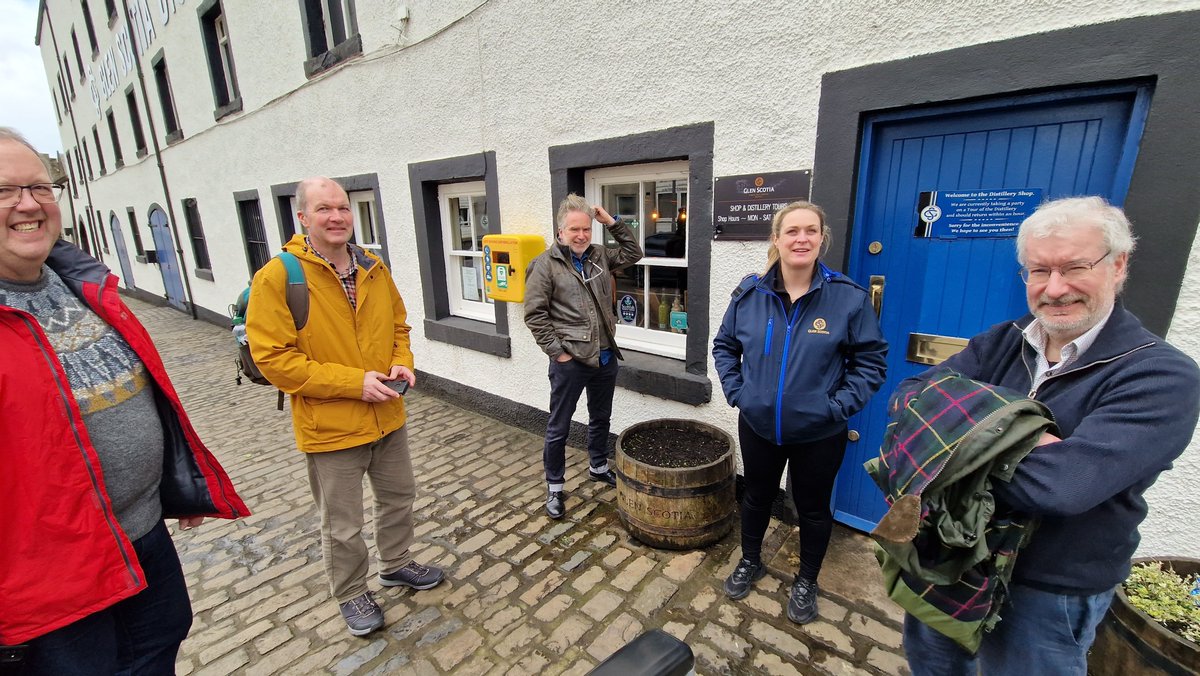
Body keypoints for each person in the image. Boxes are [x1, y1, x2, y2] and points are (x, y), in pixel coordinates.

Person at [900, 196, 1200, 675]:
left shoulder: (1162, 376)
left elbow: (1060, 488)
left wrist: (957, 435)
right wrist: (1029, 438)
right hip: (952, 559)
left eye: (1074, 267)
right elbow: (909, 401)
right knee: (932, 666)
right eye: (1039, 271)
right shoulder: (1005, 339)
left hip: (1047, 589)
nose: (1054, 289)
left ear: (1118, 264)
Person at [0, 127, 249, 673]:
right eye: (5, 192)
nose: (28, 204)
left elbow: (140, 393)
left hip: (141, 529)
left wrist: (171, 481)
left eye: (40, 187)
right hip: (51, 576)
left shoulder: (82, 285)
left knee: (161, 638)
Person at [245, 177, 443, 638]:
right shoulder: (279, 276)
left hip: (388, 414)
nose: (336, 217)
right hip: (330, 426)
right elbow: (273, 359)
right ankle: (351, 591)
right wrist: (355, 384)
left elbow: (399, 325)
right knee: (342, 523)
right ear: (303, 218)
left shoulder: (373, 266)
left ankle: (396, 564)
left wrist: (402, 362)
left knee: (399, 499)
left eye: (342, 208)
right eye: (323, 209)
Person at [712, 200, 887, 623]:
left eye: (811, 230)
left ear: (822, 238)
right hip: (758, 425)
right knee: (755, 497)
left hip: (819, 433)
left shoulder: (847, 298)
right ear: (777, 239)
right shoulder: (749, 293)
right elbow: (724, 347)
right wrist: (740, 394)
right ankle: (750, 560)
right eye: (792, 231)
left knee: (812, 509)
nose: (801, 238)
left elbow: (871, 362)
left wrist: (837, 407)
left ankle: (807, 580)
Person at [524, 194, 643, 519]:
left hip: (605, 357)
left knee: (601, 417)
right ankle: (555, 487)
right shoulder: (545, 266)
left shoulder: (599, 256)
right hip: (571, 360)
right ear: (560, 231)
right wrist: (558, 353)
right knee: (559, 427)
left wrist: (613, 223)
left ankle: (597, 465)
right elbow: (535, 315)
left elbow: (634, 253)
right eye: (574, 229)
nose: (581, 235)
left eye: (586, 229)